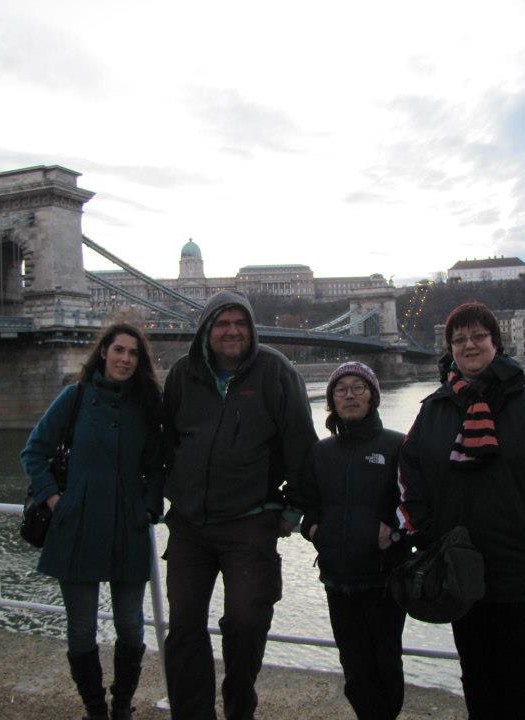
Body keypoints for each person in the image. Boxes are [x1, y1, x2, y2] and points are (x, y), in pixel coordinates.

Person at [396, 301, 525, 720]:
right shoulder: (434, 409)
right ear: (450, 350)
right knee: (478, 677)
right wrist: (428, 537)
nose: (469, 345)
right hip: (460, 572)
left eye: (478, 336)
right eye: (459, 339)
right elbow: (409, 478)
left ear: (496, 342)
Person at [161, 290, 318, 720]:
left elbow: (302, 445)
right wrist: (170, 489)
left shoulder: (275, 371)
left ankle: (238, 707)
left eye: (241, 323)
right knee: (184, 629)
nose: (233, 331)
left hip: (250, 522)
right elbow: (166, 440)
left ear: (251, 328)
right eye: (223, 323)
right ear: (206, 330)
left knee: (246, 623)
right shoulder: (182, 374)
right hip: (190, 525)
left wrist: (293, 509)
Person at [21, 322, 164, 720]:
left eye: (133, 353)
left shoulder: (147, 405)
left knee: (131, 626)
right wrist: (55, 500)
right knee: (82, 627)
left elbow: (157, 467)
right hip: (77, 524)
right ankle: (95, 710)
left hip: (129, 525)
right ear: (103, 352)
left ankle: (122, 707)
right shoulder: (75, 397)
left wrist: (149, 508)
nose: (125, 359)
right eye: (119, 350)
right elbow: (33, 452)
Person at [299, 361, 408, 720]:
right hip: (337, 578)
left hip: (384, 579)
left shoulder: (397, 446)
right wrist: (314, 530)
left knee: (386, 664)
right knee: (354, 668)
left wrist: (393, 532)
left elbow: (418, 503)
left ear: (373, 397)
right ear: (332, 399)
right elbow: (308, 504)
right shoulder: (321, 452)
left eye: (358, 388)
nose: (349, 395)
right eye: (341, 389)